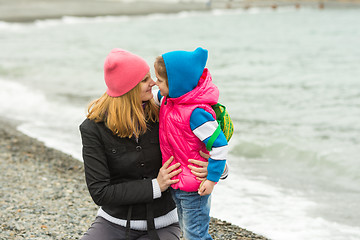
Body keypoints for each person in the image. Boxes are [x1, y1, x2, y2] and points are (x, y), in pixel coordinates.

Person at [79, 48, 210, 240]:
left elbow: (204, 145)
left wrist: (216, 169)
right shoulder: (93, 128)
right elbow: (100, 192)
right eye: (144, 80)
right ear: (128, 88)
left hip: (163, 225)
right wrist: (156, 185)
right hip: (112, 223)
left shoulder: (166, 113)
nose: (153, 83)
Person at [153, 47, 229, 240]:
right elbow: (147, 98)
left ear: (176, 83)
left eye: (159, 81)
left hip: (195, 186)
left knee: (195, 235)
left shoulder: (197, 114)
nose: (155, 84)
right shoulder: (169, 100)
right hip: (178, 183)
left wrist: (212, 179)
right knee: (188, 231)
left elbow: (219, 146)